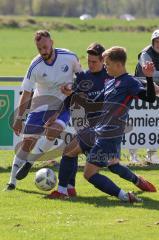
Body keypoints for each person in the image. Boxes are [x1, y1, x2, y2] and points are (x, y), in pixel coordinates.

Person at [46, 44, 156, 202]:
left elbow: (150, 98)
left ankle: (126, 195)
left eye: (108, 64)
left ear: (118, 65)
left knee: (93, 172)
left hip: (110, 134)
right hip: (97, 130)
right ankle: (63, 191)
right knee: (69, 151)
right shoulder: (111, 82)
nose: (105, 67)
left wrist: (149, 77)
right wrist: (73, 93)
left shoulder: (129, 82)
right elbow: (93, 102)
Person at [5, 30, 81, 191]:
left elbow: (83, 79)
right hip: (39, 107)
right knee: (27, 144)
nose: (43, 51)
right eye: (40, 49)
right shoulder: (35, 66)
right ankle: (12, 182)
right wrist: (19, 118)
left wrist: (73, 87)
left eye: (45, 47)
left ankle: (29, 163)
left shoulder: (69, 57)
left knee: (54, 129)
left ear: (52, 42)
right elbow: (26, 93)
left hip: (62, 105)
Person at [129, 29, 159, 163]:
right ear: (152, 42)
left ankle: (151, 155)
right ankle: (133, 155)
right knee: (137, 123)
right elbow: (149, 73)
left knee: (155, 124)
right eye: (157, 41)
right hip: (143, 91)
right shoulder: (145, 54)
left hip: (157, 92)